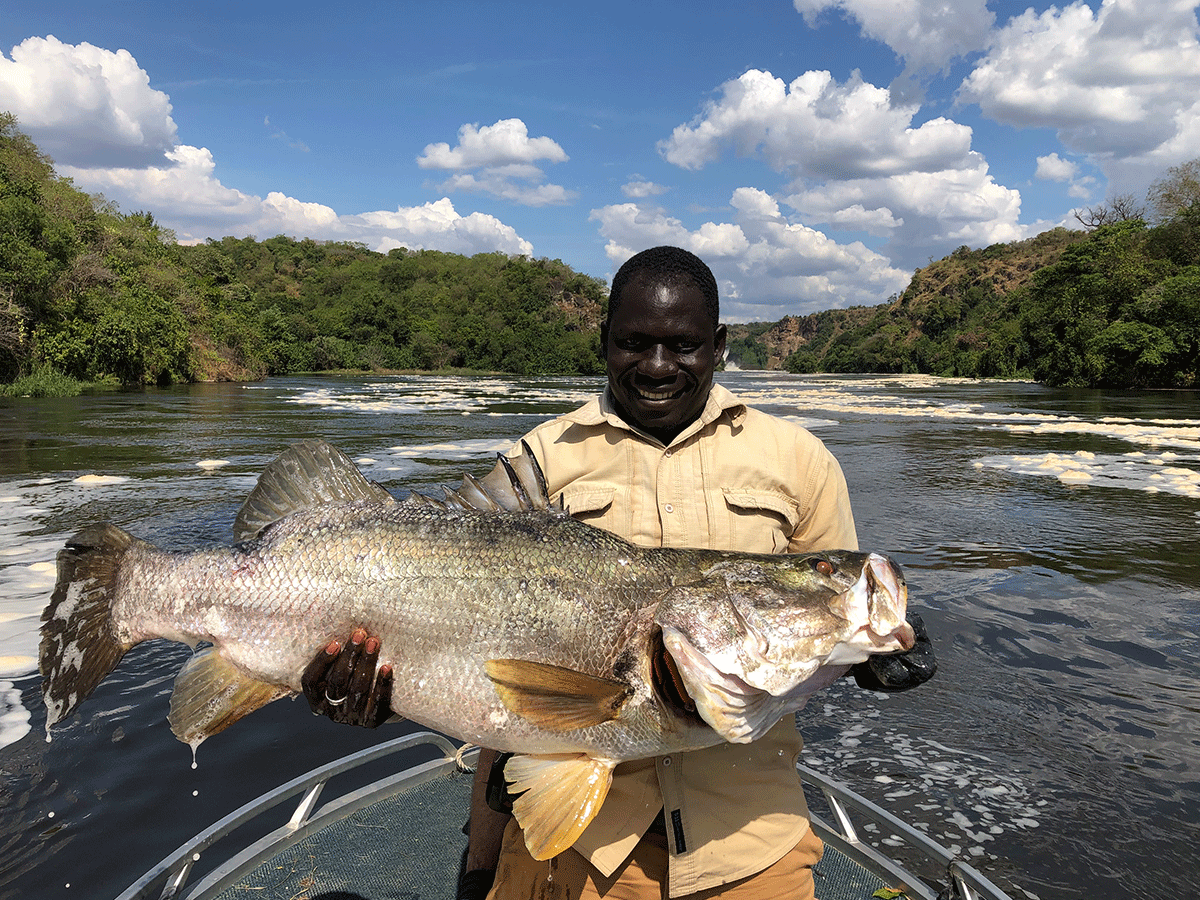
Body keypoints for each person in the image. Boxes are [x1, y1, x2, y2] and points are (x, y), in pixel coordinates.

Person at [302, 246, 936, 900]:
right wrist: (479, 861)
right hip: (570, 850)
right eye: (634, 343)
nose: (658, 367)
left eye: (684, 346)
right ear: (603, 341)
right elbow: (504, 678)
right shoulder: (538, 461)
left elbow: (810, 624)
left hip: (751, 848)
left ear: (718, 345)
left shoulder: (800, 462)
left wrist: (866, 657)